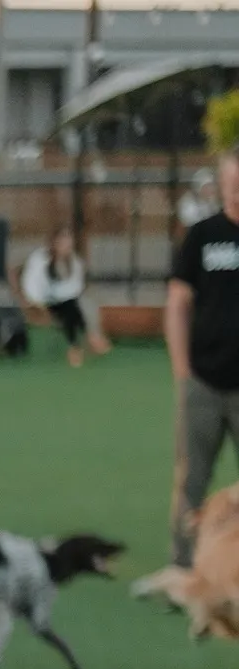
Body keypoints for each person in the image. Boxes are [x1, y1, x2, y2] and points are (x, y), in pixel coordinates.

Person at [165, 145, 239, 568]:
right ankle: (184, 565)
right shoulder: (202, 236)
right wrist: (182, 371)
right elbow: (177, 302)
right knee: (192, 479)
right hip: (204, 383)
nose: (237, 194)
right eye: (232, 186)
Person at [16, 225, 110, 368]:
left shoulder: (74, 261)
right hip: (45, 301)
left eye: (68, 241)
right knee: (70, 307)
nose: (66, 244)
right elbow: (32, 283)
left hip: (68, 301)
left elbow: (75, 287)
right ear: (54, 242)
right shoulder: (41, 259)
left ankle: (77, 346)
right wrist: (34, 301)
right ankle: (90, 338)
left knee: (76, 305)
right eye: (63, 241)